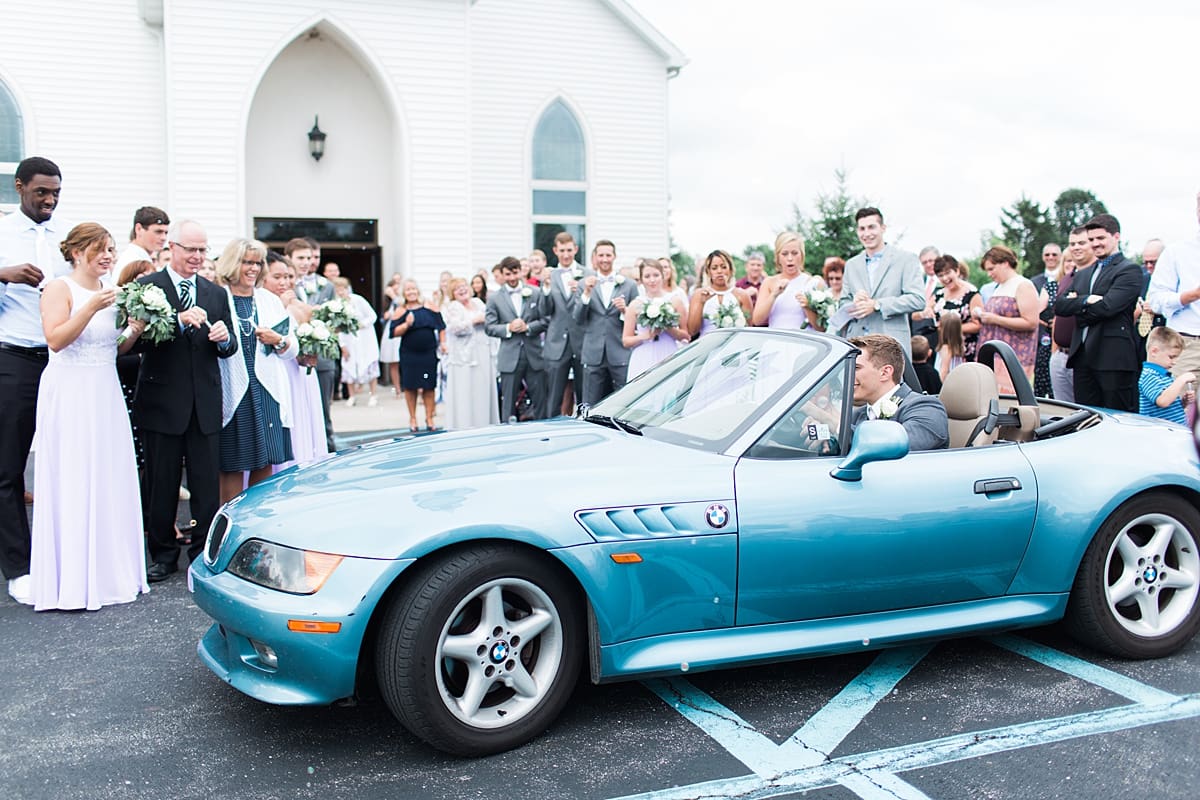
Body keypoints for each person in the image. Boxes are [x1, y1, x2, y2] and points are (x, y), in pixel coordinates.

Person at [30, 222, 149, 610]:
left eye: (111, 250)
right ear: (78, 252)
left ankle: (108, 572)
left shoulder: (109, 292)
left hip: (105, 389)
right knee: (75, 473)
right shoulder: (59, 288)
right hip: (70, 391)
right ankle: (72, 580)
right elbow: (57, 339)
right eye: (100, 250)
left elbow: (111, 348)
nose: (108, 256)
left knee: (108, 473)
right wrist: (90, 307)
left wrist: (132, 330)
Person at [135, 220, 237, 582]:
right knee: (161, 484)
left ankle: (201, 552)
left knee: (205, 487)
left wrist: (224, 339)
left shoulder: (214, 292)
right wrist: (177, 322)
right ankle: (162, 554)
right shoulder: (147, 288)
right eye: (190, 249)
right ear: (172, 248)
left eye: (202, 250)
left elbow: (229, 349)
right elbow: (137, 345)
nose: (197, 256)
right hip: (162, 401)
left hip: (205, 402)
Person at [0, 156, 72, 605]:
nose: (49, 200)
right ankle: (18, 564)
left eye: (55, 193)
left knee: (64, 460)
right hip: (15, 357)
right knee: (8, 467)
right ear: (20, 186)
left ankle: (62, 555)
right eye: (41, 192)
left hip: (63, 358)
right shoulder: (4, 234)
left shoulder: (65, 237)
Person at [215, 239, 296, 504]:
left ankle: (257, 523)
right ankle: (229, 525)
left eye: (257, 263)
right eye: (246, 262)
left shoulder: (269, 301)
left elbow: (291, 347)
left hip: (268, 389)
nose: (252, 268)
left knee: (266, 461)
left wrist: (278, 340)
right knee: (232, 463)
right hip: (233, 390)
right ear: (232, 264)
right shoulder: (217, 297)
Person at [1055, 213, 1143, 412]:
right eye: (1092, 239)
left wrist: (1077, 306)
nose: (1095, 244)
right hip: (1082, 357)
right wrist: (1086, 300)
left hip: (1113, 358)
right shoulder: (1083, 273)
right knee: (1086, 418)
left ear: (1116, 237)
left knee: (1118, 418)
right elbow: (1060, 306)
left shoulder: (1129, 270)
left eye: (1100, 238)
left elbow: (1108, 307)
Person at [262, 253, 328, 468]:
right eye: (278, 277)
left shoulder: (297, 304)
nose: (285, 282)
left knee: (301, 422)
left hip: (296, 368)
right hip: (275, 369)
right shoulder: (263, 303)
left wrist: (312, 347)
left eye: (289, 277)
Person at [841, 207, 926, 358]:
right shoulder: (851, 265)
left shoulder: (905, 259)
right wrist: (854, 303)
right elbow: (843, 303)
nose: (867, 234)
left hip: (891, 346)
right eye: (862, 229)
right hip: (857, 346)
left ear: (883, 228)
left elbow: (917, 300)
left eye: (871, 227)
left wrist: (877, 305)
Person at [848, 334, 948, 451]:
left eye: (856, 368)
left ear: (885, 372)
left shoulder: (927, 409)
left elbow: (892, 446)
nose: (848, 374)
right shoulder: (858, 414)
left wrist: (837, 425)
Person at [1147, 191, 1200, 406]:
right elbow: (1156, 300)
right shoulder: (1178, 252)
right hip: (1186, 345)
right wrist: (1191, 296)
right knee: (1179, 416)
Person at [575, 240, 639, 405]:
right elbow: (578, 318)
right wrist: (587, 295)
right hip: (593, 352)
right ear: (595, 257)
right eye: (601, 255)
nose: (604, 259)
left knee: (624, 401)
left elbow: (638, 322)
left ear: (614, 256)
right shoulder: (583, 284)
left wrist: (625, 311)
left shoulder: (629, 285)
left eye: (608, 255)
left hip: (619, 350)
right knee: (589, 403)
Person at [287, 237, 336, 450]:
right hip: (291, 357)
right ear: (288, 258)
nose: (306, 262)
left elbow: (332, 323)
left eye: (310, 257)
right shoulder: (283, 285)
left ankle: (325, 447)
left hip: (319, 357)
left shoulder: (326, 287)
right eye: (301, 258)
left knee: (321, 409)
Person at [487, 257, 548, 420]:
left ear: (521, 271)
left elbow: (545, 321)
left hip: (533, 354)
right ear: (502, 274)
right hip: (509, 356)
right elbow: (489, 327)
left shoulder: (535, 292)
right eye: (508, 274)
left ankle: (543, 433)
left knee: (540, 401)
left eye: (515, 273)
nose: (512, 278)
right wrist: (508, 327)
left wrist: (528, 327)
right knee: (508, 404)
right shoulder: (494, 298)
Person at [976, 245, 1039, 395]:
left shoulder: (1023, 285)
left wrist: (995, 319)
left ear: (1005, 263)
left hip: (1012, 356)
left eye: (992, 269)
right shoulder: (1000, 287)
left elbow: (1031, 322)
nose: (989, 274)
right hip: (994, 355)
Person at [442, 277, 499, 430]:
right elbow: (455, 328)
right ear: (453, 293)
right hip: (464, 357)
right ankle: (465, 426)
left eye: (464, 286)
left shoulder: (478, 303)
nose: (462, 290)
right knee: (466, 390)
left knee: (482, 388)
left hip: (483, 351)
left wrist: (484, 320)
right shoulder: (453, 306)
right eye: (457, 288)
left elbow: (491, 319)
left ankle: (485, 424)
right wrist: (474, 320)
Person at [542, 232, 588, 418]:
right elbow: (545, 311)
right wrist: (545, 288)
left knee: (584, 397)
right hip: (556, 343)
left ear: (575, 249)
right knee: (553, 397)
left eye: (569, 250)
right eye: (562, 251)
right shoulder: (549, 275)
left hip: (582, 342)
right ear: (555, 251)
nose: (566, 255)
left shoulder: (588, 274)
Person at [622, 258, 689, 379]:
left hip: (668, 352)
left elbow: (686, 336)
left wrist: (669, 328)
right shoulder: (635, 305)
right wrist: (645, 336)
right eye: (647, 276)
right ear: (641, 280)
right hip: (643, 356)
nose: (652, 280)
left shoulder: (675, 301)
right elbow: (626, 341)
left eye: (656, 275)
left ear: (663, 276)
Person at [392, 279, 446, 430]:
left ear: (418, 291)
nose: (411, 292)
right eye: (408, 290)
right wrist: (406, 324)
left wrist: (443, 343)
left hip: (428, 353)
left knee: (429, 386)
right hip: (409, 354)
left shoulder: (429, 306)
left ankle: (429, 418)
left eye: (413, 289)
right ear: (404, 293)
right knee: (410, 386)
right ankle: (413, 419)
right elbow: (393, 332)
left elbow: (441, 326)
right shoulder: (401, 310)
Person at [1050, 227, 1095, 402]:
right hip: (1060, 355)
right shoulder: (1067, 278)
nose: (1076, 247)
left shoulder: (1098, 276)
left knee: (1083, 413)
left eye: (1081, 243)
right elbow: (1058, 315)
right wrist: (1055, 352)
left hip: (1083, 358)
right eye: (1072, 244)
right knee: (1061, 413)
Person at [751, 232, 823, 329]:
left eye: (794, 253)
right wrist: (774, 295)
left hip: (804, 341)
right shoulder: (769, 282)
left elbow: (821, 328)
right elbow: (757, 321)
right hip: (776, 340)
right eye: (784, 254)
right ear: (778, 257)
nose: (790, 258)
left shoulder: (812, 282)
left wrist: (807, 306)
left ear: (801, 255)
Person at [688, 249, 752, 338]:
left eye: (723, 267)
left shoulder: (742, 295)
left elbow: (749, 328)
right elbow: (692, 331)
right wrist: (701, 303)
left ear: (730, 269)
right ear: (708, 272)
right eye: (714, 268)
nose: (719, 271)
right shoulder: (699, 294)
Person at [1139, 327, 1196, 425]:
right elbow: (1163, 401)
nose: (1174, 362)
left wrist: (1183, 402)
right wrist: (1181, 380)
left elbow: (1170, 405)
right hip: (1161, 432)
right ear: (1154, 351)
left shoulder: (1165, 375)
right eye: (1171, 357)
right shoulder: (1149, 375)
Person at [930, 254, 982, 361]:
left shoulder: (972, 293)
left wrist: (951, 328)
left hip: (965, 349)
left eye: (948, 273)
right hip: (944, 349)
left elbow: (977, 325)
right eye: (940, 275)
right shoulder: (939, 294)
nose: (945, 278)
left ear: (957, 271)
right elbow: (922, 312)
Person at [1031, 242, 1063, 397]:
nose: (1051, 257)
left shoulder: (1066, 279)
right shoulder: (1034, 282)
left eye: (1054, 254)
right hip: (1041, 335)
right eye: (1047, 254)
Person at [116, 206, 170, 271]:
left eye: (166, 233)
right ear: (138, 229)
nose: (163, 238)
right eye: (158, 232)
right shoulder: (133, 262)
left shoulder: (142, 259)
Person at [911, 246, 941, 354]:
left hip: (937, 335)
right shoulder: (917, 282)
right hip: (916, 334)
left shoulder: (947, 281)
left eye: (931, 260)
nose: (928, 264)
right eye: (924, 262)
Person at [379, 272, 404, 394]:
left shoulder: (402, 297)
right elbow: (382, 318)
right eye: (394, 282)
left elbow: (402, 304)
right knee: (393, 361)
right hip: (391, 329)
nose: (396, 285)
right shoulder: (388, 302)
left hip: (403, 329)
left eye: (399, 282)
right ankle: (397, 388)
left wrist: (394, 295)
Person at [935, 311, 967, 383]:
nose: (938, 328)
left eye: (940, 326)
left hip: (946, 385)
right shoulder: (959, 347)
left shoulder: (946, 348)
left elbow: (944, 371)